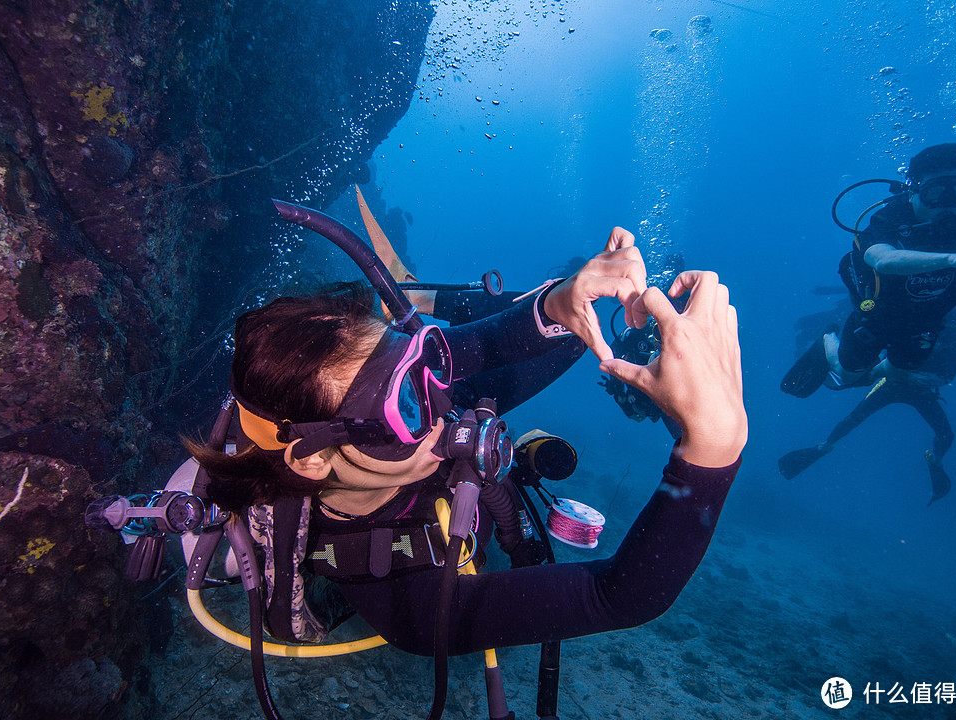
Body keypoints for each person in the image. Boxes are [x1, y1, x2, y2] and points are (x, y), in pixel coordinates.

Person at [187, 227, 746, 656]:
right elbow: (621, 595)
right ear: (312, 460)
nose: (441, 403)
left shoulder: (422, 418)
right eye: (404, 402)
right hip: (403, 552)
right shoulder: (408, 607)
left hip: (424, 475)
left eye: (420, 366)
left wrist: (561, 302)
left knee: (569, 336)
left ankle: (423, 308)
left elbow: (465, 354)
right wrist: (714, 447)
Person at [782, 143, 956, 397]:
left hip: (928, 321)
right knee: (846, 373)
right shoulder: (889, 220)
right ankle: (828, 341)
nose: (945, 206)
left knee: (898, 374)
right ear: (913, 192)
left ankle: (867, 376)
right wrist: (954, 259)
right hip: (879, 317)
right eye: (934, 194)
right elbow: (884, 260)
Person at [778, 311, 956, 504]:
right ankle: (824, 446)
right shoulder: (926, 326)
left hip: (912, 388)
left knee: (946, 435)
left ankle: (934, 460)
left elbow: (952, 364)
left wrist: (935, 377)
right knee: (852, 418)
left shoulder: (954, 338)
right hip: (894, 383)